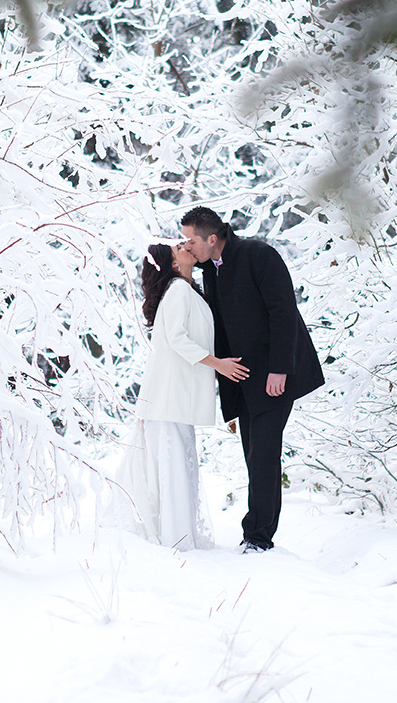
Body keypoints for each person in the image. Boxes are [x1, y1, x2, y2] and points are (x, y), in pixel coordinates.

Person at [180, 207, 324, 552]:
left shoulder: (259, 255)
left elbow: (283, 310)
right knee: (253, 454)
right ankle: (257, 532)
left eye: (191, 240)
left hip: (274, 375)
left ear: (211, 239)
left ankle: (259, 538)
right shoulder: (211, 268)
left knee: (263, 455)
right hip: (243, 379)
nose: (187, 246)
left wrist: (280, 369)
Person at [116, 241, 248, 550]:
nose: (186, 245)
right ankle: (176, 542)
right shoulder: (177, 289)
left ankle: (178, 538)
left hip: (175, 399)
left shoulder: (188, 289)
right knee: (172, 469)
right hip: (167, 398)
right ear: (174, 264)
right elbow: (177, 338)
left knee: (178, 467)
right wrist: (218, 365)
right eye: (179, 246)